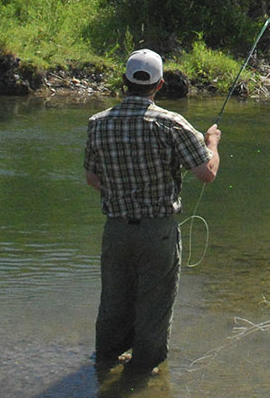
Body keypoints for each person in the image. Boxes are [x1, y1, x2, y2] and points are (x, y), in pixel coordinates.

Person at [83, 48, 220, 372]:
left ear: (124, 81)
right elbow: (206, 173)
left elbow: (92, 178)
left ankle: (106, 361)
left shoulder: (97, 123)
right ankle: (144, 373)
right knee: (155, 304)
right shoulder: (172, 123)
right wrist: (212, 142)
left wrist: (122, 190)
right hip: (158, 231)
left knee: (114, 300)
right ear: (159, 85)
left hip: (116, 230)